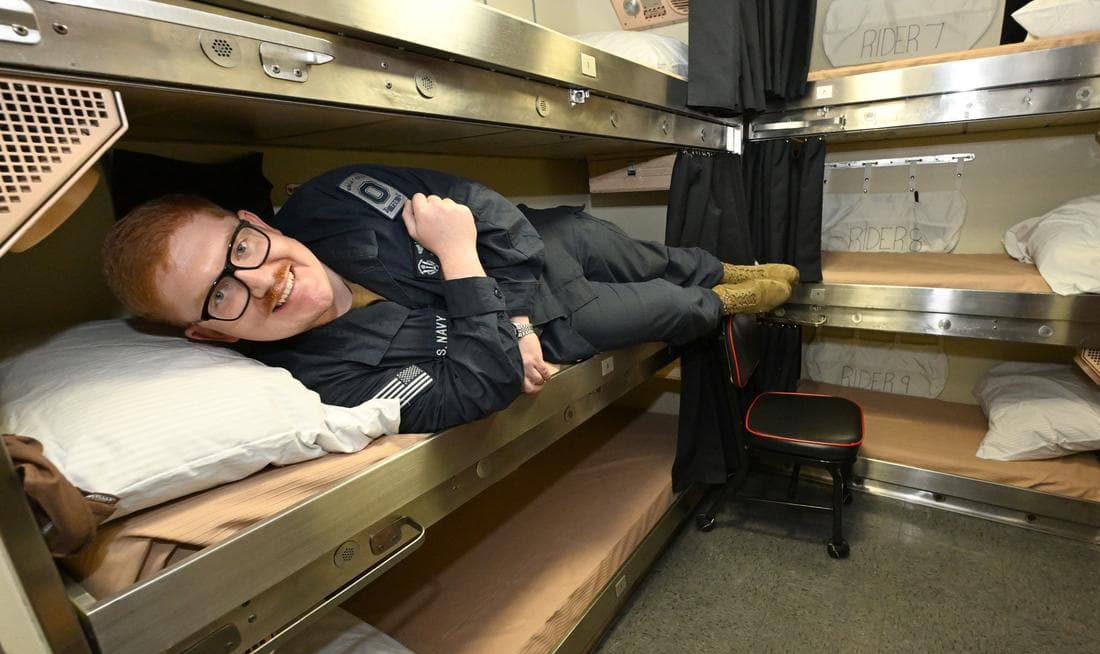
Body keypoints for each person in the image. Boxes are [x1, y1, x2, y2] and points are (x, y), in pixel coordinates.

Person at [100, 164, 798, 433]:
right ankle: (735, 301)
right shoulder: (327, 383)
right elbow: (468, 390)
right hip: (562, 325)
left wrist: (509, 319)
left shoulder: (328, 201)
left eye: (240, 251)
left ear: (254, 224)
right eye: (220, 295)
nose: (261, 279)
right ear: (211, 335)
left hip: (547, 244)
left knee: (659, 258)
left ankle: (732, 269)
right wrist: (461, 261)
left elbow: (479, 205)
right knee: (680, 310)